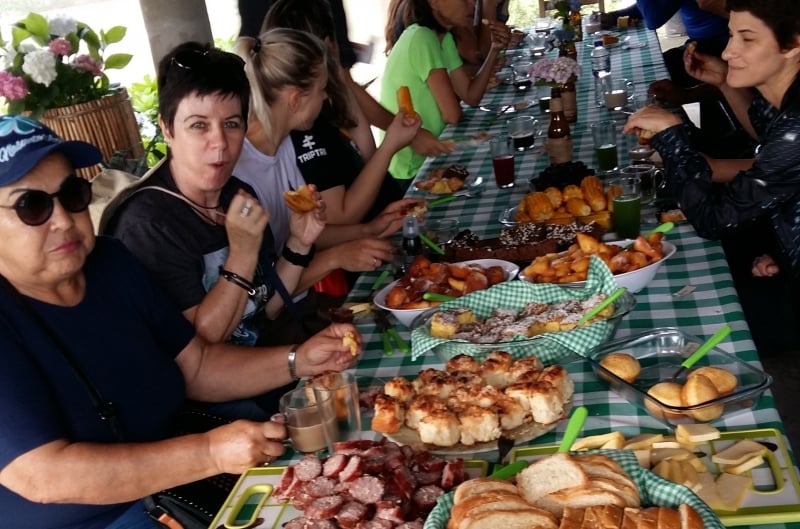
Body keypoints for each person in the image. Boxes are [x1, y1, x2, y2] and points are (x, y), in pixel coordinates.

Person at [0, 113, 359, 529]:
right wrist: (208, 453)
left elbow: (197, 366)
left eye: (73, 194)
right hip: (102, 517)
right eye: (32, 206)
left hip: (185, 475)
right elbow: (42, 475)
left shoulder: (110, 262)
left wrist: (301, 359)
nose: (63, 219)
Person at [102, 42, 325, 348]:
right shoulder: (147, 226)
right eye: (199, 126)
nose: (219, 142)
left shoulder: (236, 196)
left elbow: (267, 307)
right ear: (167, 130)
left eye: (231, 124)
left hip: (267, 363)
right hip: (219, 393)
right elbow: (204, 346)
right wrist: (242, 252)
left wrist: (299, 242)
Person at [623, 0, 800, 349]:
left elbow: (715, 221)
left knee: (697, 325)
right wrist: (723, 81)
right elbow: (767, 136)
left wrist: (672, 137)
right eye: (731, 35)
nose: (730, 49)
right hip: (781, 257)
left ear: (793, 44)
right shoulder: (784, 98)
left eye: (747, 39)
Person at [262, 0, 422, 224]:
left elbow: (367, 152)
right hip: (361, 239)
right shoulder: (305, 122)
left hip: (381, 221)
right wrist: (390, 145)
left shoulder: (323, 102)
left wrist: (339, 77)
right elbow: (340, 216)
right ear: (328, 44)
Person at [381, 0, 510, 185]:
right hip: (411, 168)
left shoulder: (444, 38)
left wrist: (494, 49)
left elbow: (471, 96)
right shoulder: (422, 37)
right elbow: (453, 115)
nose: (472, 4)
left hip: (436, 151)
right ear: (433, 3)